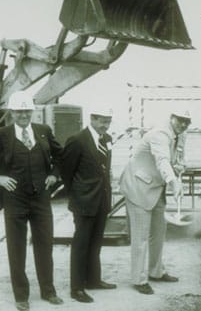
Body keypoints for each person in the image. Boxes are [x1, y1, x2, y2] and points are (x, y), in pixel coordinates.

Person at [0, 91, 63, 311]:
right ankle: (21, 296)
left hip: (41, 199)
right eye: (19, 111)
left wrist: (54, 175)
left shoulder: (43, 132)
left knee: (45, 245)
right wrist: (0, 177)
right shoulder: (3, 134)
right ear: (12, 113)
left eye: (27, 111)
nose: (23, 115)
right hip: (14, 199)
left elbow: (60, 156)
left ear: (32, 112)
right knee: (16, 248)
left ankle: (48, 290)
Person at [119, 109, 190, 294]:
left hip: (156, 188)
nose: (183, 124)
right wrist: (174, 181)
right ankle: (139, 279)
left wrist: (179, 167)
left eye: (187, 121)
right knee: (140, 236)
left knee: (158, 233)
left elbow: (174, 160)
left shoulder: (180, 135)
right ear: (171, 117)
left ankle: (156, 271)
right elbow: (162, 160)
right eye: (180, 120)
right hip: (138, 187)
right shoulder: (160, 134)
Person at [61, 105, 116, 303]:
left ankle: (93, 280)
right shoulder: (77, 140)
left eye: (108, 121)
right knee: (81, 244)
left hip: (101, 200)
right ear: (92, 118)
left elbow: (104, 170)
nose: (106, 125)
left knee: (96, 242)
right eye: (102, 121)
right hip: (83, 201)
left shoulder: (107, 139)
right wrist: (77, 196)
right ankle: (77, 288)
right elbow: (66, 172)